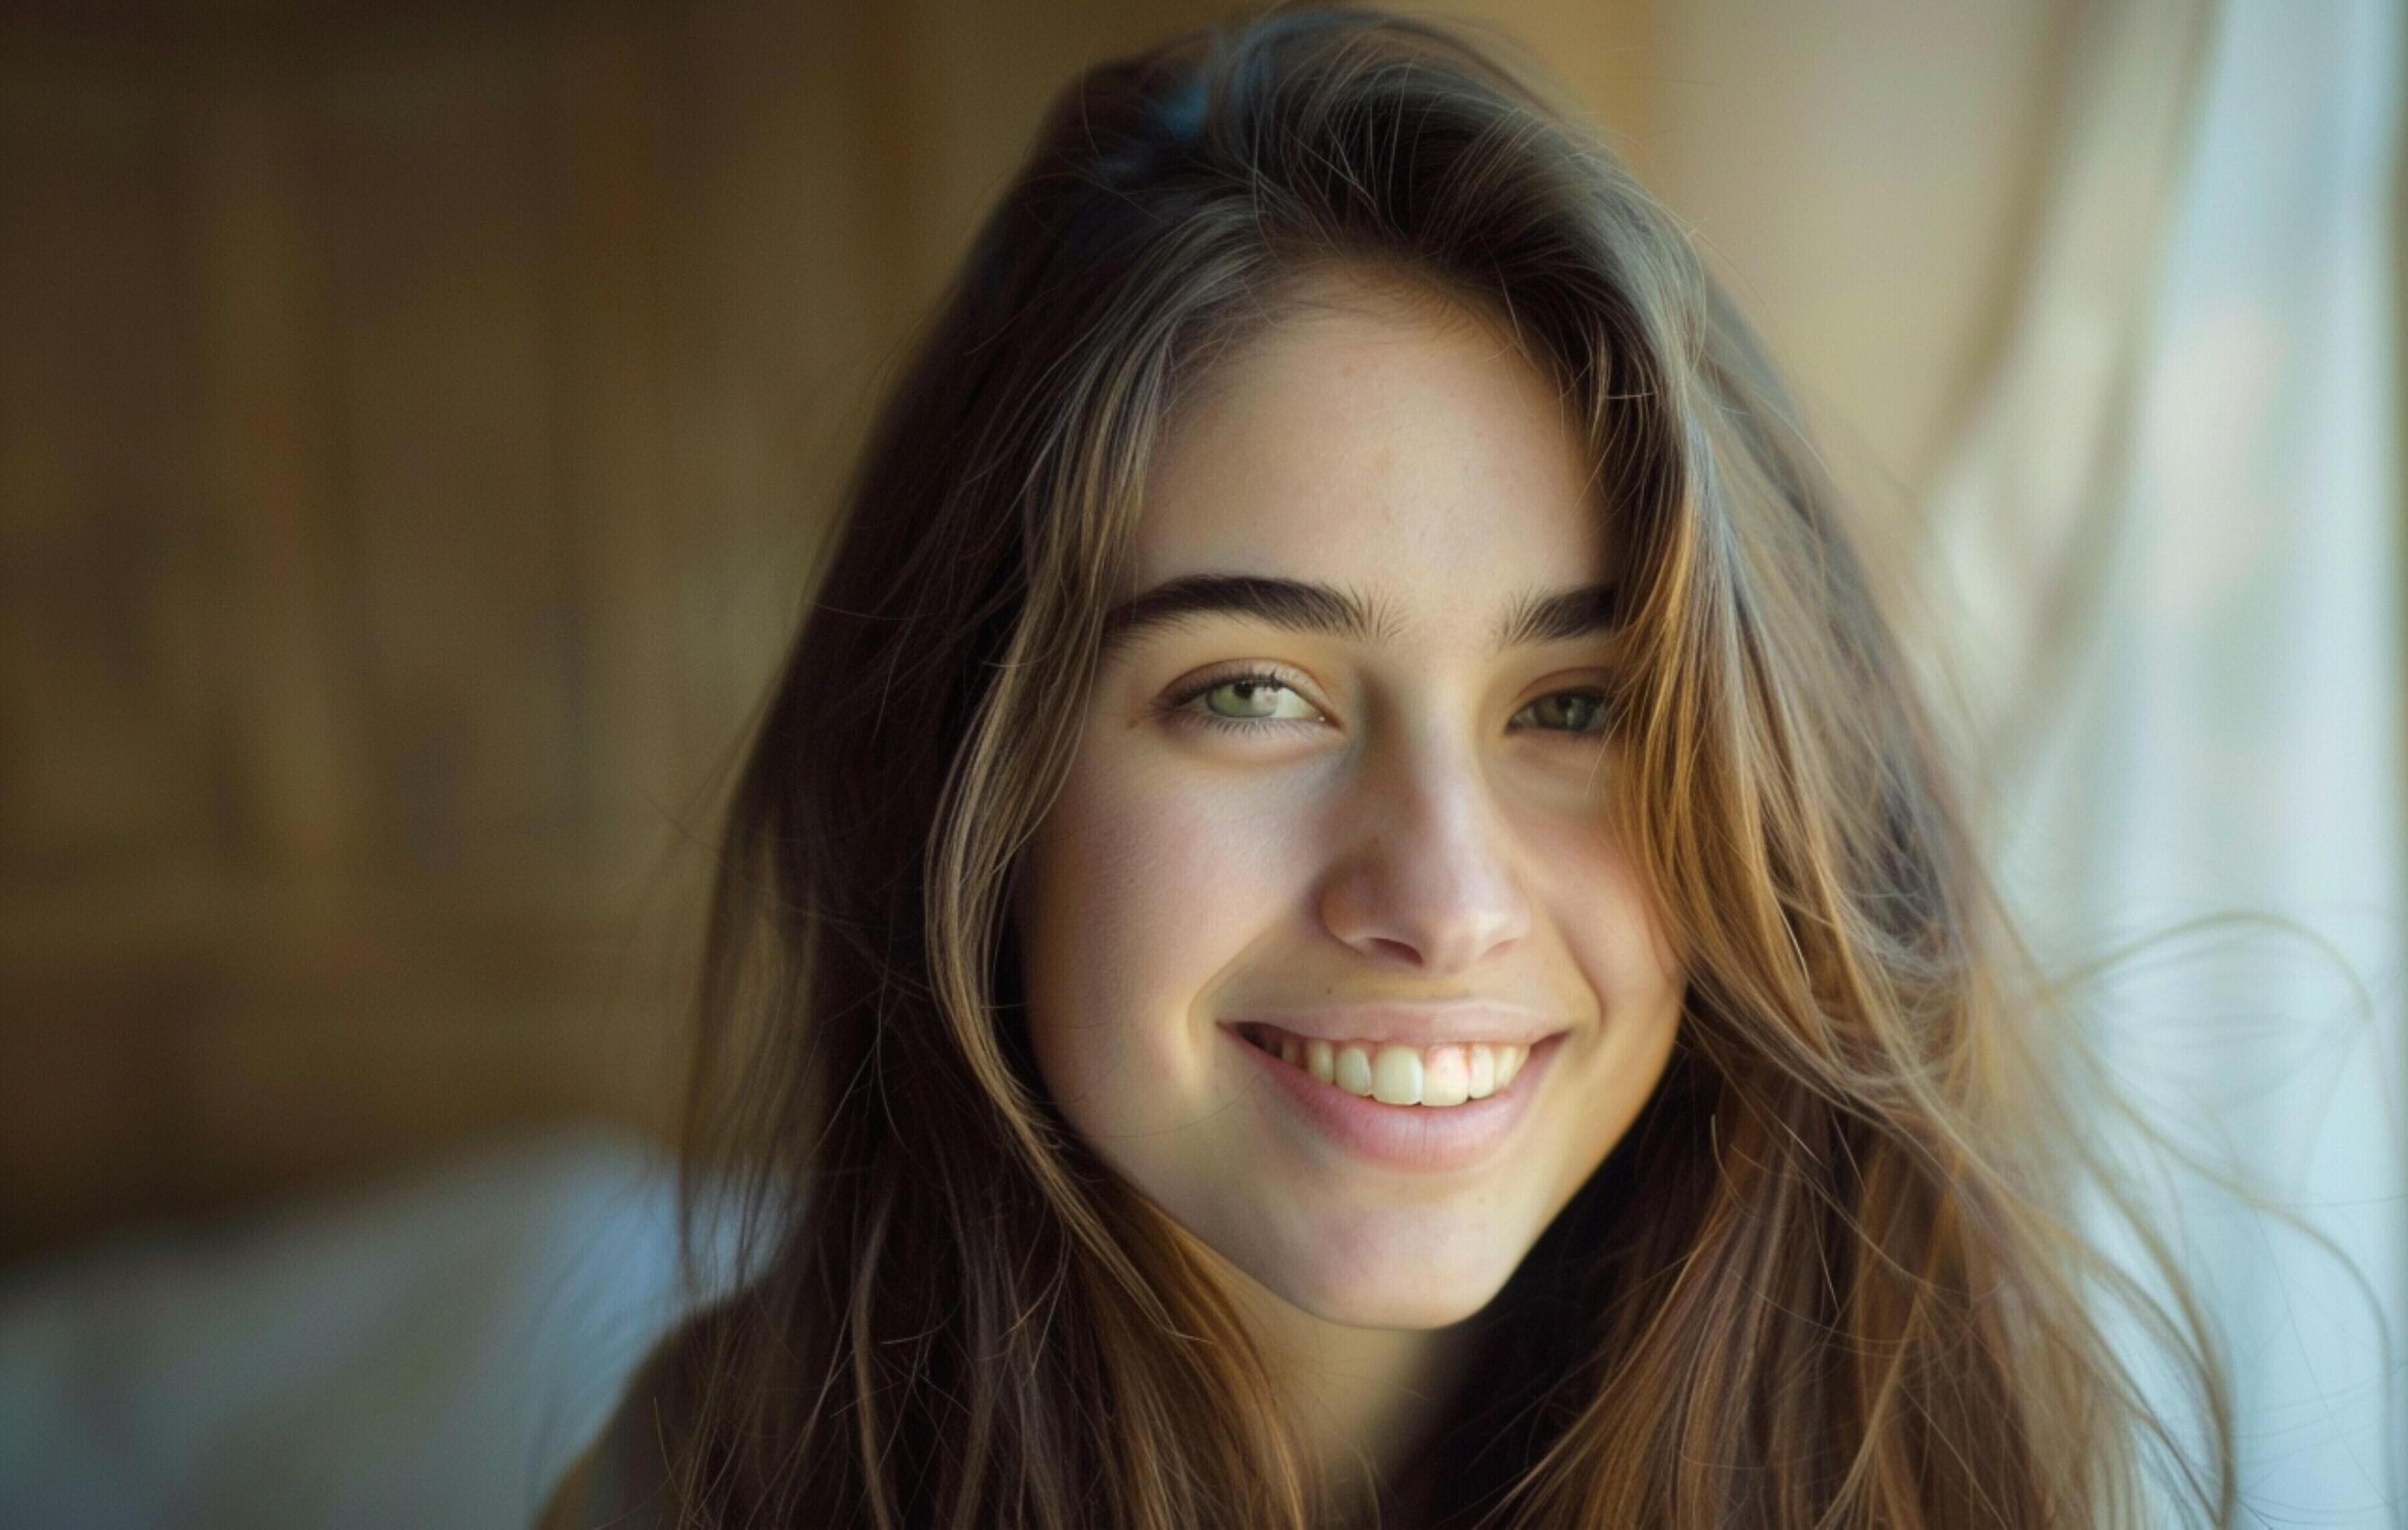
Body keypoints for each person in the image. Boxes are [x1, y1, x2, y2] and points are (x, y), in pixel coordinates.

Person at [541, 8, 2229, 1526]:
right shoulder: (716, 1481)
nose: (1442, 899)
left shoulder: (1940, 1461)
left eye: (1578, 705)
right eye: (1256, 691)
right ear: (979, 786)